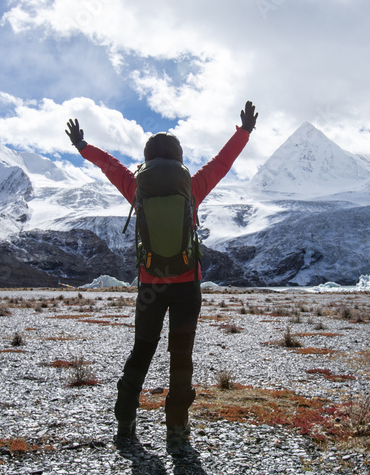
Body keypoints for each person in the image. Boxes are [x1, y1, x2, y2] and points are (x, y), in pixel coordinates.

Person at [65, 101, 257, 454]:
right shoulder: (191, 188)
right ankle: (177, 428)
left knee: (142, 350)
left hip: (151, 285)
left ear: (148, 159)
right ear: (179, 159)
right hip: (186, 285)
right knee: (181, 354)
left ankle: (125, 420)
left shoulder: (139, 188)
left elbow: (110, 166)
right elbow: (222, 164)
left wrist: (82, 147)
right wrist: (243, 132)